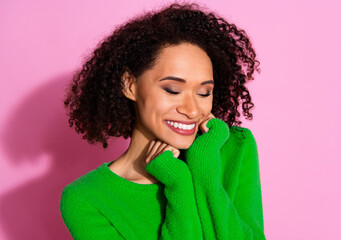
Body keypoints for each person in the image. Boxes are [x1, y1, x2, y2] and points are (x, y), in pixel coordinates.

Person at [60, 2, 266, 240]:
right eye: (172, 90)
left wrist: (203, 167)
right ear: (129, 84)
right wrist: (179, 187)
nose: (191, 110)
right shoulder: (87, 198)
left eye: (203, 93)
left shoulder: (234, 147)